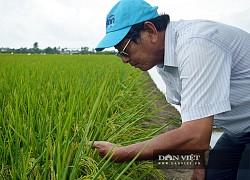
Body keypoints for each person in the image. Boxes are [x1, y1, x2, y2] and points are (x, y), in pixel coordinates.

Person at [90, 0, 250, 179]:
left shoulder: (197, 46)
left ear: (150, 31)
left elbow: (196, 135)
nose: (124, 60)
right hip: (237, 132)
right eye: (119, 53)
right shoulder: (164, 62)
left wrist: (121, 153)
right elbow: (193, 114)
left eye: (124, 50)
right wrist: (198, 165)